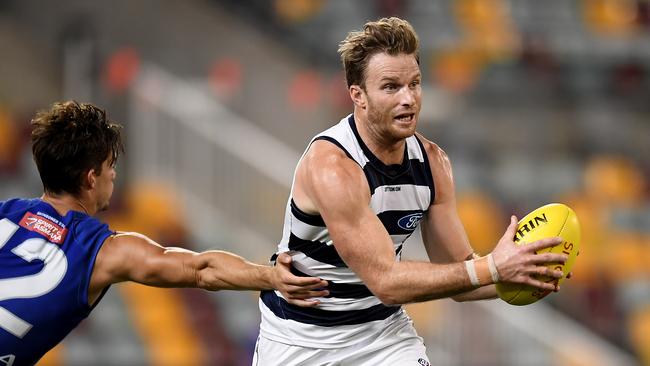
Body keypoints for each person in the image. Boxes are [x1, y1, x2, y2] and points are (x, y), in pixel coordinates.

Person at [254, 17, 568, 365]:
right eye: (391, 87)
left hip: (382, 337)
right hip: (301, 340)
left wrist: (522, 273)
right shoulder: (333, 166)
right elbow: (385, 282)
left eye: (415, 84)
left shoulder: (433, 163)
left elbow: (460, 274)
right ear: (357, 95)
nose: (409, 98)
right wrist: (493, 267)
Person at [0, 101, 328, 366]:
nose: (114, 175)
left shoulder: (5, 212)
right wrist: (271, 276)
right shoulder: (102, 251)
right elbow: (201, 269)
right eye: (110, 165)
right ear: (90, 178)